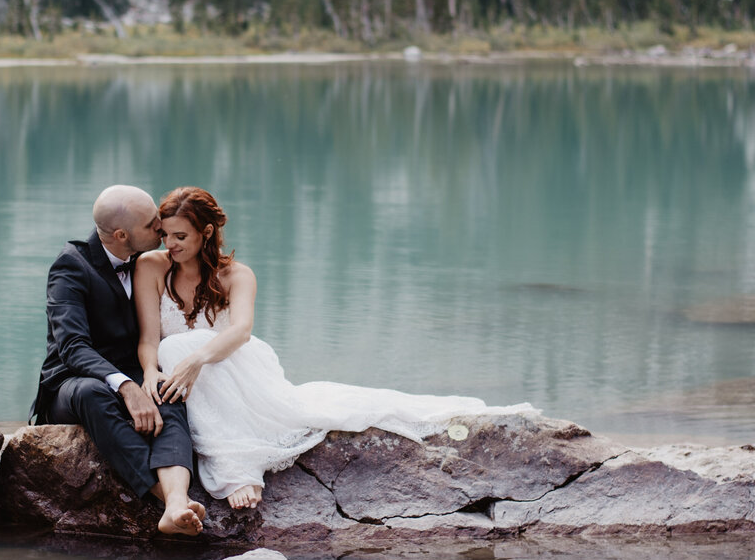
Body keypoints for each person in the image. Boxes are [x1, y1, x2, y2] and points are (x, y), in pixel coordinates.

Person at [134, 187, 537, 510]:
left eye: (180, 236)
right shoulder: (152, 267)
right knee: (170, 350)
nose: (170, 244)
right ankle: (224, 449)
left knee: (185, 348)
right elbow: (150, 338)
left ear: (206, 232)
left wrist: (196, 360)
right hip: (189, 375)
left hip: (239, 367)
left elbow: (240, 331)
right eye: (165, 235)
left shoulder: (236, 275)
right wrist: (151, 372)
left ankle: (237, 466)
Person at [31, 185, 206, 536]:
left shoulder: (149, 261)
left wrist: (147, 377)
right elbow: (72, 346)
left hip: (131, 371)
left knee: (166, 392)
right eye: (152, 224)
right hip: (72, 383)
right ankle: (163, 495)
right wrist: (125, 386)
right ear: (122, 235)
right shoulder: (71, 266)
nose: (161, 229)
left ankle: (175, 503)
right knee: (92, 394)